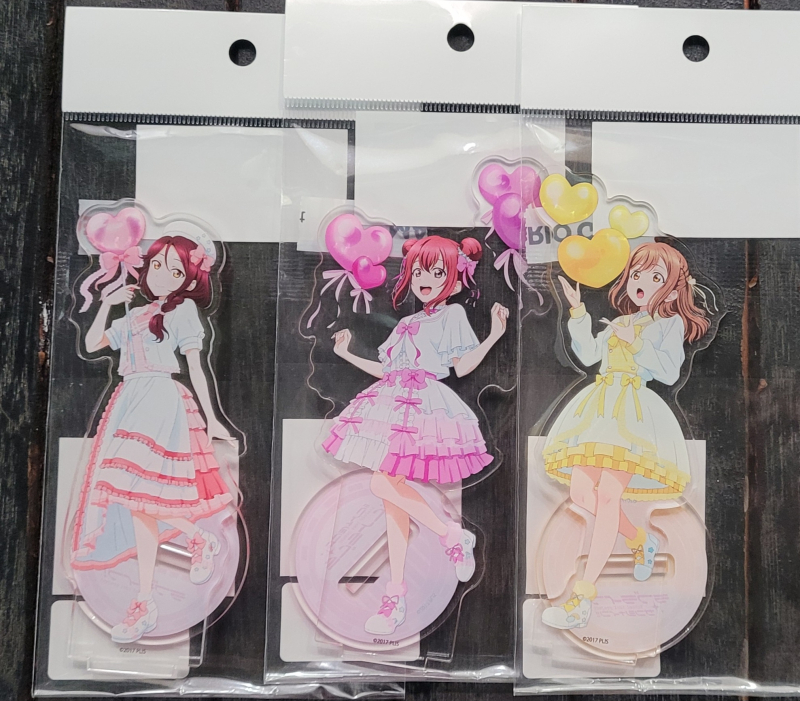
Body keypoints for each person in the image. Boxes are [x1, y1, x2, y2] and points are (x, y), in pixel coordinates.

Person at [323, 235, 509, 635]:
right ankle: (397, 593)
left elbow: (461, 367)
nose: (426, 279)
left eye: (438, 272)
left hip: (425, 406)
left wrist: (494, 335)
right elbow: (387, 370)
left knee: (382, 484)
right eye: (421, 271)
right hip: (391, 402)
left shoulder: (453, 315)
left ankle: (450, 535)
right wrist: (346, 354)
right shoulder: (407, 323)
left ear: (455, 281)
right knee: (392, 502)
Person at [71, 225, 233, 643]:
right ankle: (146, 598)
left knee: (136, 495)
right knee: (137, 503)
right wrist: (107, 304)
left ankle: (197, 540)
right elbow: (92, 344)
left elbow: (196, 366)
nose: (162, 275)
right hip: (129, 400)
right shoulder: (133, 315)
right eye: (157, 265)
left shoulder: (184, 311)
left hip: (161, 399)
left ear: (189, 280)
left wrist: (212, 418)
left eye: (175, 271)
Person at [541, 242, 710, 630]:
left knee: (607, 495)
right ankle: (640, 542)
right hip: (599, 410)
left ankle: (581, 600)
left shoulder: (668, 325)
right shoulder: (621, 320)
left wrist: (636, 343)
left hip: (634, 415)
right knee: (581, 493)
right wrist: (578, 312)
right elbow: (588, 355)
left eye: (656, 277)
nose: (642, 283)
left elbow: (668, 371)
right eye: (637, 274)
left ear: (672, 290)